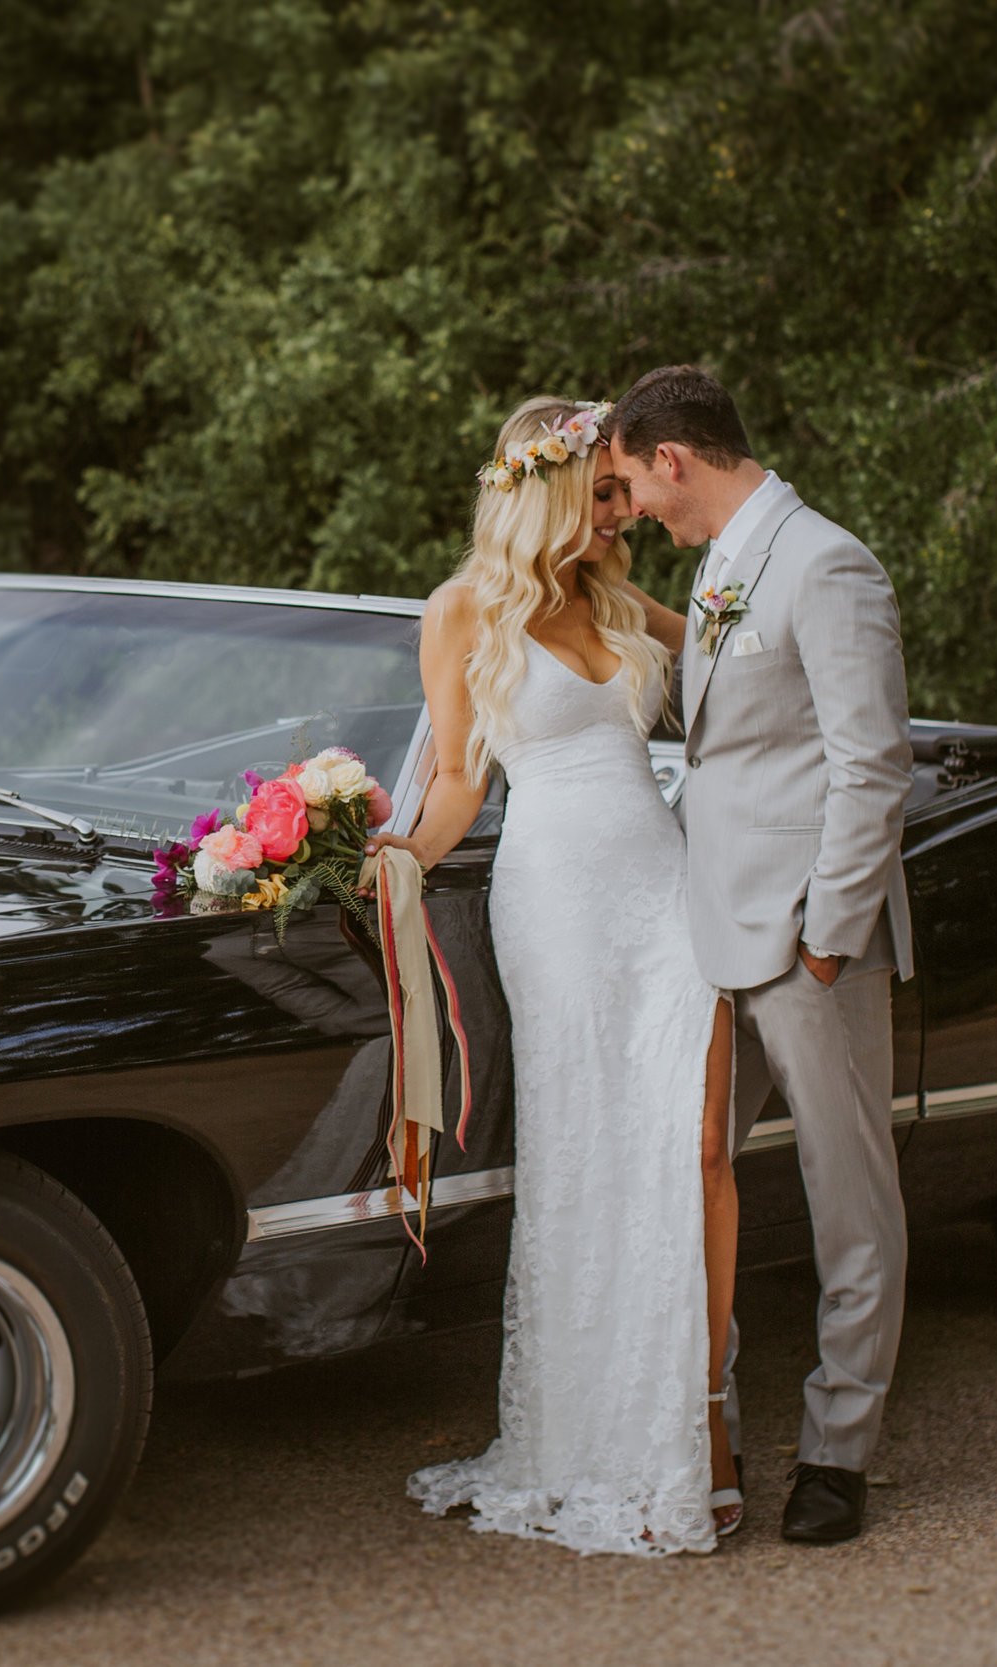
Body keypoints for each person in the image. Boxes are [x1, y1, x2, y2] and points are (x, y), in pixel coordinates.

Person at [372, 395, 743, 1555]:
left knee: (695, 1146)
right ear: (538, 494)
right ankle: (597, 1434)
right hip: (560, 904)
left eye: (622, 496)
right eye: (598, 499)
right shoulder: (462, 610)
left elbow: (742, 656)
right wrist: (385, 859)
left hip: (669, 895)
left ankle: (701, 1418)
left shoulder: (619, 596)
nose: (617, 514)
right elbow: (456, 786)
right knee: (590, 1161)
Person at [607, 363, 915, 1546]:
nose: (633, 505)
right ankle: (699, 1419)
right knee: (690, 1177)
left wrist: (828, 938)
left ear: (671, 457)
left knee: (852, 1201)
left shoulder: (827, 560)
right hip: (709, 929)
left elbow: (870, 762)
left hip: (802, 934)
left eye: (632, 483)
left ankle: (838, 1449)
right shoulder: (721, 564)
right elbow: (734, 721)